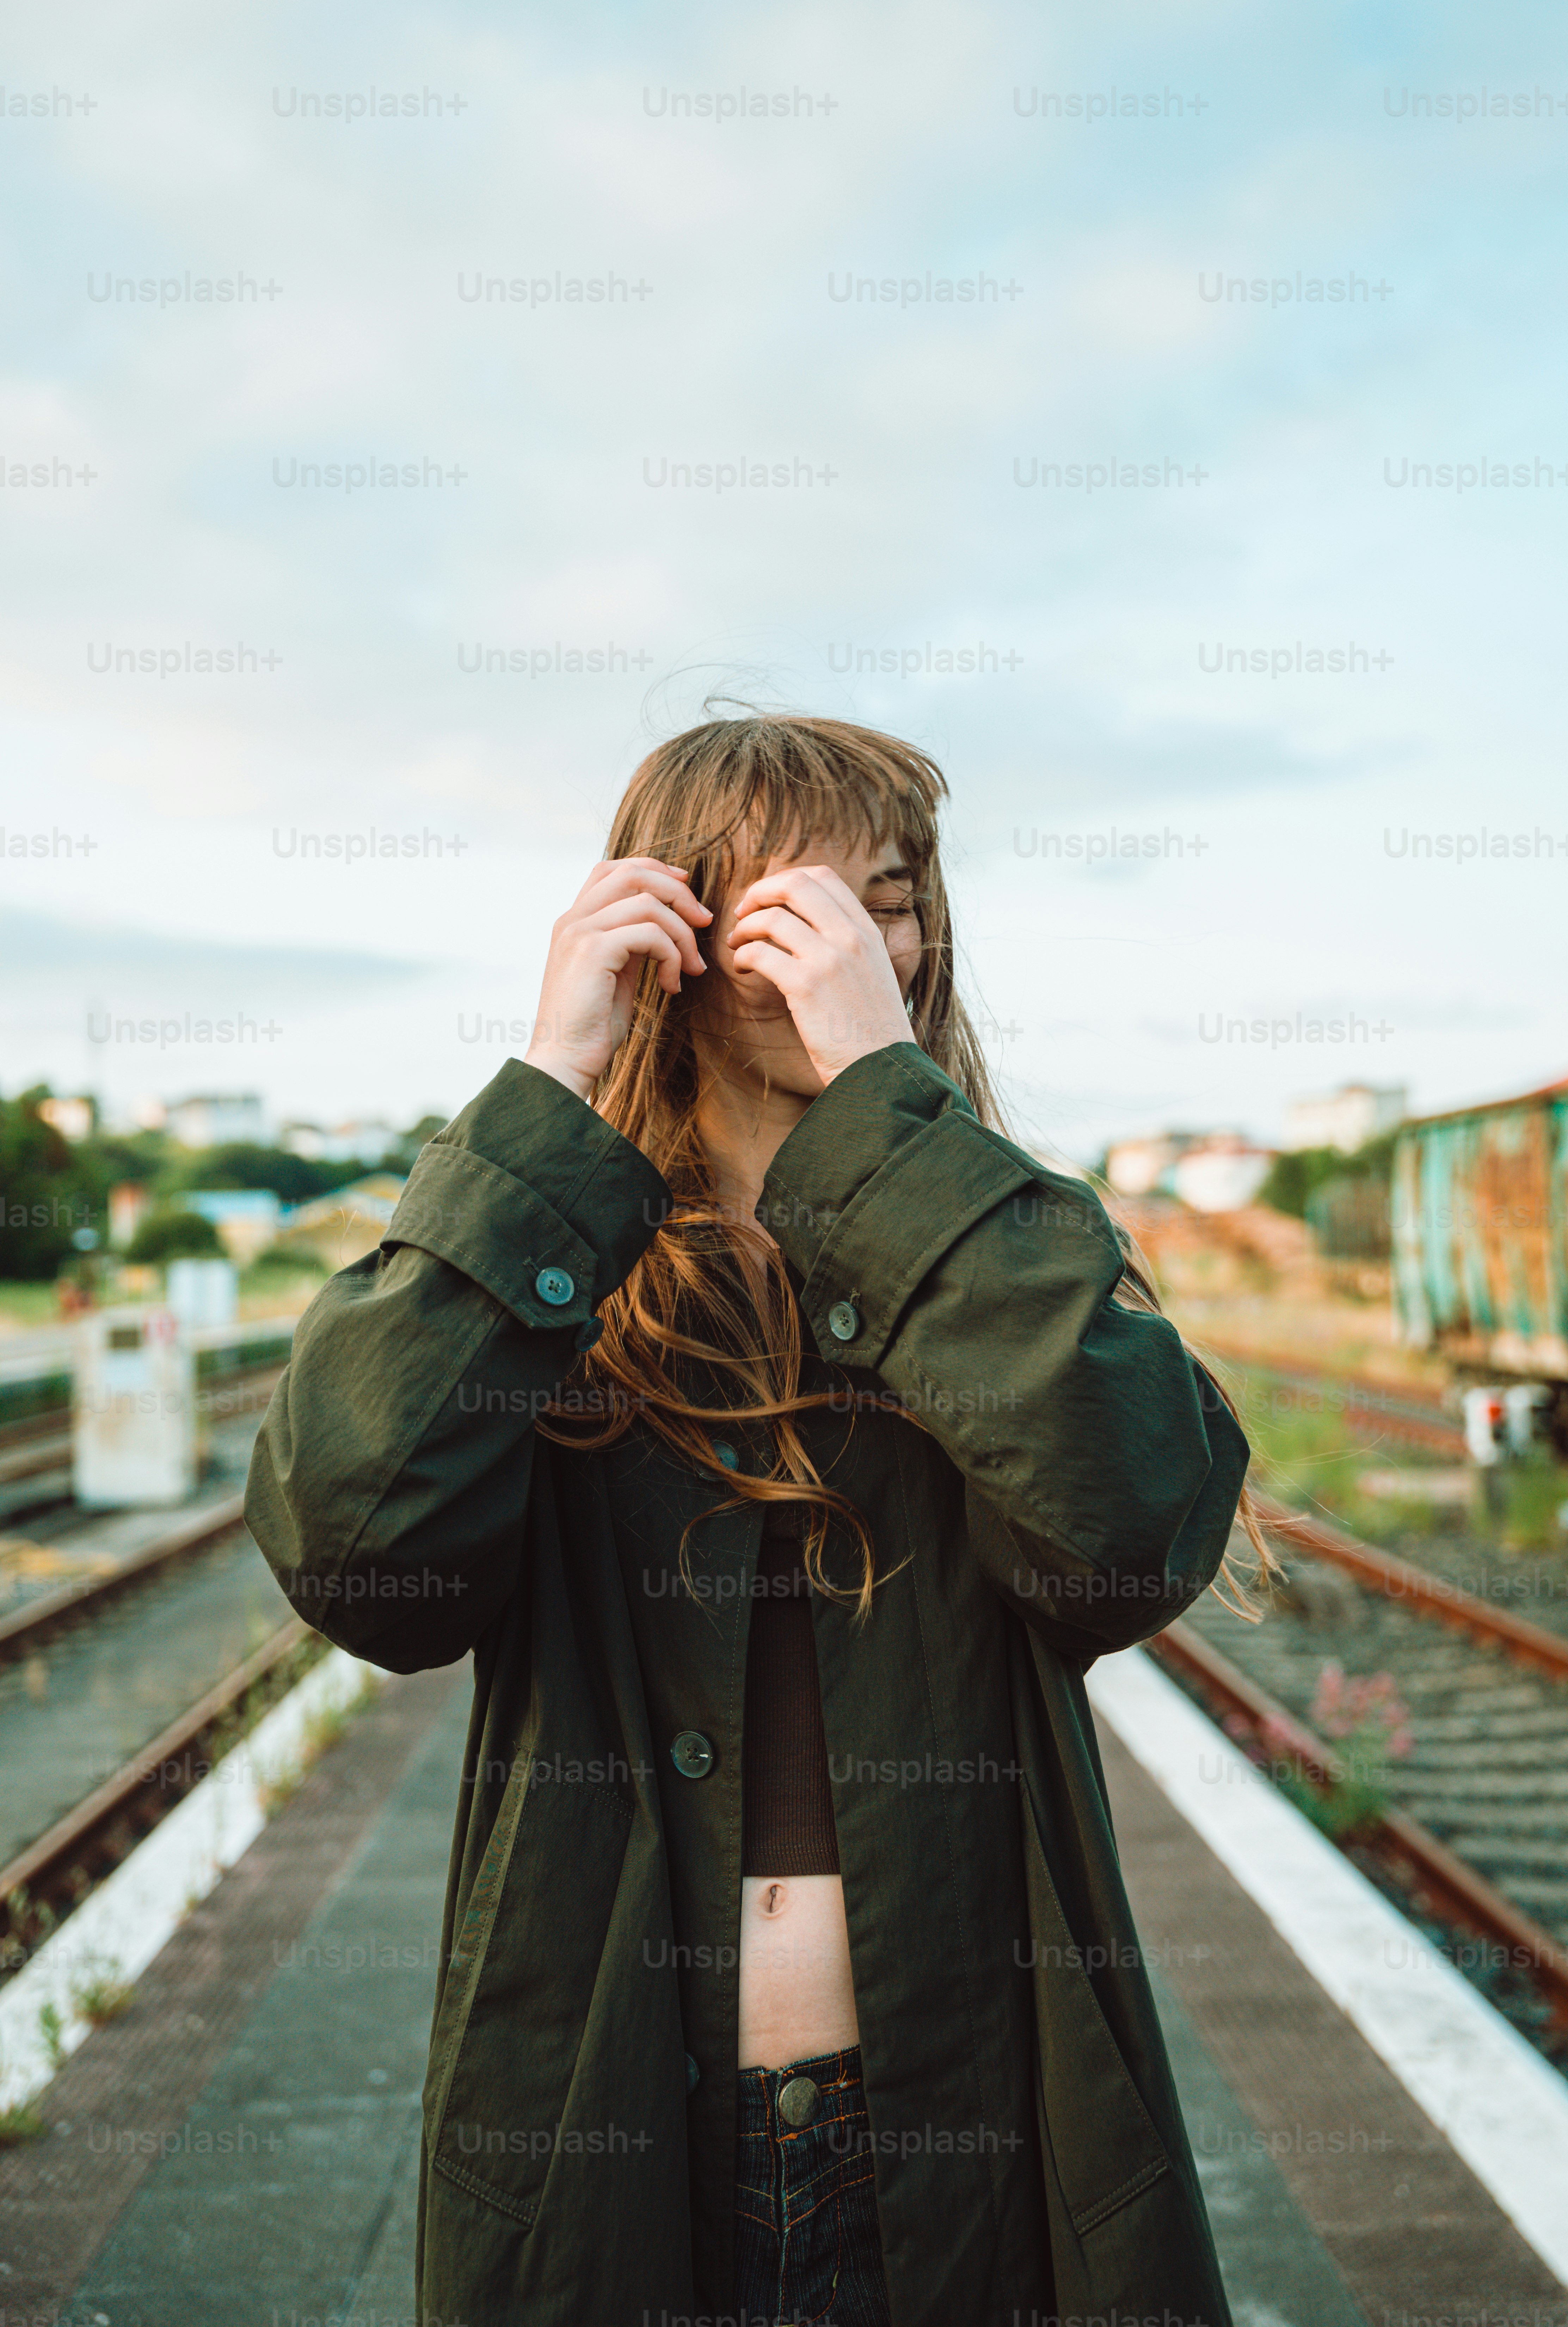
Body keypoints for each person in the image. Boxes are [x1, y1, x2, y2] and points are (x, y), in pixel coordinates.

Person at [246, 712, 1260, 2327]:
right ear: (675, 933)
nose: (862, 944)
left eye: (893, 901)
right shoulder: (552, 1281)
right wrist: (548, 1081)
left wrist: (889, 1110)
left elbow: (1132, 1536)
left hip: (967, 2144)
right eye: (800, 903)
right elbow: (364, 1560)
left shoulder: (997, 1252)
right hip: (614, 2144)